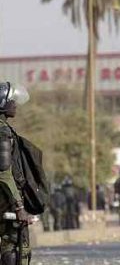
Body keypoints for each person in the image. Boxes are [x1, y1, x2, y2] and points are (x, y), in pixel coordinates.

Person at [0, 81, 33, 264]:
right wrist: (19, 206)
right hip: (5, 201)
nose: (15, 106)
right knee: (13, 245)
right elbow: (4, 173)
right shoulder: (3, 132)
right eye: (12, 102)